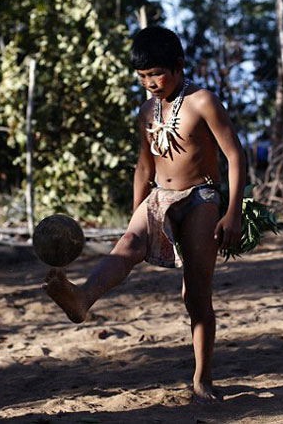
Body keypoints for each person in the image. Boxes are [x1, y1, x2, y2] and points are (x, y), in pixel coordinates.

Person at [44, 25, 246, 401]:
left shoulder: (203, 101)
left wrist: (232, 212)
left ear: (179, 65)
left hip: (201, 198)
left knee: (196, 295)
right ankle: (82, 298)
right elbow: (143, 166)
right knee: (128, 244)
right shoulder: (145, 110)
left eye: (157, 73)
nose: (150, 83)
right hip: (159, 196)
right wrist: (137, 211)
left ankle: (202, 378)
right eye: (142, 76)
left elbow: (235, 155)